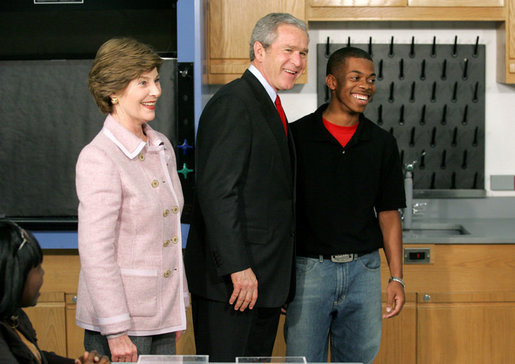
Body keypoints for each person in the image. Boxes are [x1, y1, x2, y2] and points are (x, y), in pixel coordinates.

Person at [184, 13, 309, 362]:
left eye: (303, 53)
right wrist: (238, 268)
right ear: (259, 50)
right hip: (233, 284)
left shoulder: (267, 103)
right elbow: (218, 193)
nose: (297, 62)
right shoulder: (234, 103)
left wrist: (279, 280)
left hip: (264, 282)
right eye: (289, 50)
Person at [284, 47, 406, 364]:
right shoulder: (296, 137)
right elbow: (280, 212)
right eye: (355, 77)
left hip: (364, 272)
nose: (365, 85)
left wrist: (397, 277)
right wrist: (280, 277)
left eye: (371, 79)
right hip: (308, 271)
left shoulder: (382, 143)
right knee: (302, 360)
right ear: (332, 81)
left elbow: (389, 214)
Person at [75, 38, 188, 362]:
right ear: (113, 91)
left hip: (162, 315)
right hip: (122, 323)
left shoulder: (161, 145)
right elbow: (97, 251)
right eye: (143, 82)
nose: (155, 90)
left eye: (155, 80)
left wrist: (177, 304)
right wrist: (115, 330)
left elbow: (169, 233)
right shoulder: (99, 156)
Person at [0, 220, 110, 364]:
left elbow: (36, 357)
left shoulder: (15, 317)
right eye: (37, 268)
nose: (42, 273)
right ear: (14, 275)